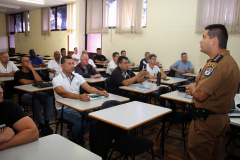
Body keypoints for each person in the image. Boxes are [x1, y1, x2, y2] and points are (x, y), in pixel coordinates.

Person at [186, 24, 240, 160]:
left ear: (214, 41)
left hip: (206, 122)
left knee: (198, 155)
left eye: (204, 37)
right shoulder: (231, 62)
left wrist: (193, 89)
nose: (200, 40)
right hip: (220, 118)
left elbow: (201, 95)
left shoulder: (215, 64)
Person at [52, 56, 109, 143]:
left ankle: (78, 135)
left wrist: (100, 92)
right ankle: (72, 138)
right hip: (64, 108)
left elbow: (89, 88)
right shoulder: (57, 79)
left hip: (79, 106)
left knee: (93, 117)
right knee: (80, 121)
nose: (72, 66)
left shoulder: (77, 76)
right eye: (69, 64)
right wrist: (79, 96)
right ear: (62, 66)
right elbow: (63, 93)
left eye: (73, 63)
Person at [14, 57, 54, 136]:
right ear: (21, 64)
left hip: (37, 93)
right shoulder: (18, 73)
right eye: (26, 61)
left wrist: (32, 70)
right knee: (35, 100)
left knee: (48, 98)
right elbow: (24, 82)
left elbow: (39, 80)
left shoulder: (33, 72)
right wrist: (35, 81)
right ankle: (41, 124)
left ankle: (47, 122)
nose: (28, 62)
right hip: (24, 95)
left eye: (29, 61)